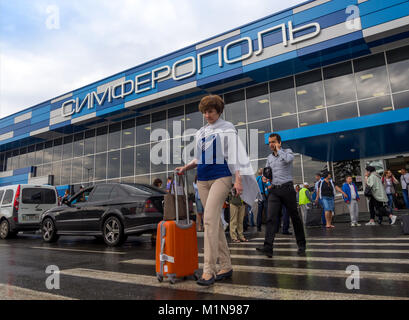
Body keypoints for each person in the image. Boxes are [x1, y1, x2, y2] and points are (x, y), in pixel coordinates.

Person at [176, 94, 259, 286]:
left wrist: (238, 180)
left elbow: (235, 154)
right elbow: (198, 158)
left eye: (211, 111)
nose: (207, 115)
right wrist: (185, 167)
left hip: (222, 177)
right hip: (203, 180)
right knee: (215, 223)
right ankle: (226, 265)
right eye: (204, 112)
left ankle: (208, 270)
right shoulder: (200, 132)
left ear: (218, 111)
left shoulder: (227, 128)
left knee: (209, 220)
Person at [256, 133, 306, 258]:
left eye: (273, 142)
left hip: (287, 189)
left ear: (279, 142)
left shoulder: (287, 152)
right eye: (270, 143)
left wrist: (279, 150)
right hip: (274, 191)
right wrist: (265, 179)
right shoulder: (269, 158)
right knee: (271, 218)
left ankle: (301, 245)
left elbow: (289, 160)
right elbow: (267, 172)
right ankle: (268, 247)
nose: (271, 145)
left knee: (294, 217)